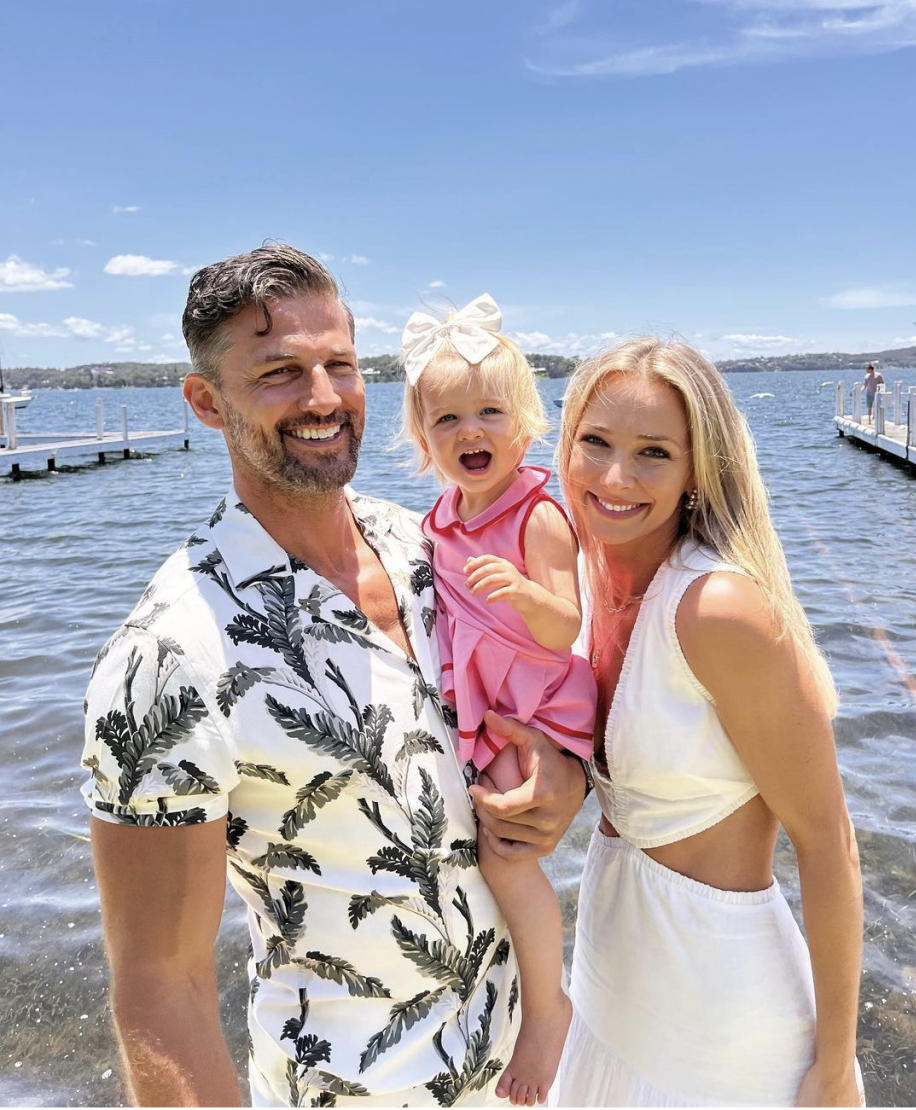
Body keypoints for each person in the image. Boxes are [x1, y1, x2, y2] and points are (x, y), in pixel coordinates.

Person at [80, 245, 588, 1108]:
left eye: (339, 365)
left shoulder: (430, 546)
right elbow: (161, 989)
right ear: (207, 402)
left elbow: (531, 683)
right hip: (356, 1086)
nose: (322, 398)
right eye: (279, 371)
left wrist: (564, 778)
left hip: (519, 1069)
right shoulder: (167, 656)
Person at [551, 338, 864, 1107]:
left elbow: (828, 843)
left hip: (718, 1011)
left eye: (653, 452)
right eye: (596, 442)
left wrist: (836, 1064)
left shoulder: (718, 609)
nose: (616, 477)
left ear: (700, 471)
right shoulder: (583, 587)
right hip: (608, 972)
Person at [399, 296, 596, 1107]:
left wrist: (521, 591)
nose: (469, 431)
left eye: (489, 412)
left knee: (504, 853)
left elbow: (565, 625)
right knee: (477, 844)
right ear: (423, 438)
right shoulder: (440, 518)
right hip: (481, 697)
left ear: (525, 425)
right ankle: (504, 985)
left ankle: (548, 1009)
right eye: (447, 419)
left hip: (535, 699)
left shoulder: (538, 515)